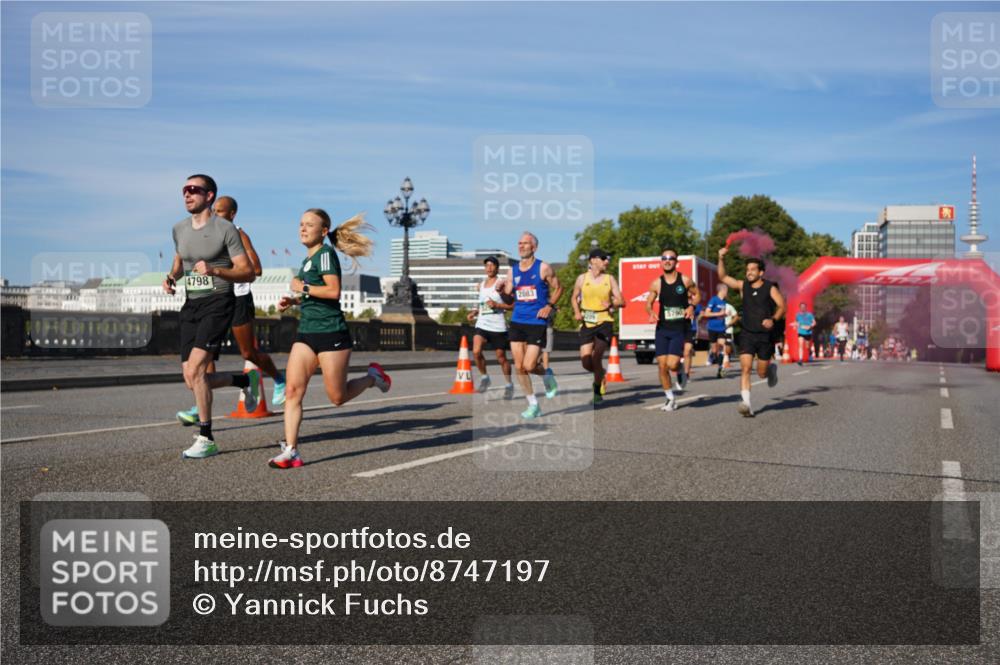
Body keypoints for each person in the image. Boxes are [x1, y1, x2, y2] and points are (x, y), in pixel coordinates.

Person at [269, 209, 391, 469]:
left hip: (331, 334)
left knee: (337, 397)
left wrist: (301, 287)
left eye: (309, 225)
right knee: (292, 391)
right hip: (307, 333)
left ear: (323, 231)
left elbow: (333, 291)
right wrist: (293, 300)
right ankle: (291, 451)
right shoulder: (308, 259)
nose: (302, 229)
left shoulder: (325, 255)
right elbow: (314, 293)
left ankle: (373, 377)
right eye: (301, 224)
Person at [163, 174, 258, 459]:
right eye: (184, 190)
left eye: (194, 190)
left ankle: (206, 437)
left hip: (219, 302)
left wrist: (216, 270)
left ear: (210, 196)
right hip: (191, 303)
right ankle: (242, 382)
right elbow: (180, 264)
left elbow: (248, 271)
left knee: (196, 371)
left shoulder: (226, 229)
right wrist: (170, 278)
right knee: (192, 378)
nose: (187, 195)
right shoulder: (179, 229)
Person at [175, 195, 286, 425]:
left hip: (238, 299)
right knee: (203, 357)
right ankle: (200, 403)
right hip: (213, 301)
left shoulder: (237, 233)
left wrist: (220, 268)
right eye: (212, 210)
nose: (214, 214)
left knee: (248, 354)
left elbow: (256, 269)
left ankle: (278, 378)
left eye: (220, 211)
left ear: (232, 214)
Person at [495, 232, 562, 419]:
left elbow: (559, 288)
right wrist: (501, 292)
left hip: (536, 322)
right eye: (519, 243)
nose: (521, 246)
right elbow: (509, 298)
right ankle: (533, 405)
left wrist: (549, 306)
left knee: (530, 365)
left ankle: (547, 375)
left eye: (525, 243)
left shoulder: (543, 268)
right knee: (519, 367)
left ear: (534, 247)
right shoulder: (513, 270)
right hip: (517, 321)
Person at [717, 248, 786, 417]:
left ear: (761, 272)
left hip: (764, 335)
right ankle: (746, 404)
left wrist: (773, 320)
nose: (749, 273)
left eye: (753, 270)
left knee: (761, 373)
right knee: (746, 368)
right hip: (747, 333)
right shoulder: (742, 286)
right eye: (747, 270)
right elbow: (723, 277)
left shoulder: (770, 288)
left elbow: (782, 306)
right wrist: (720, 258)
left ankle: (770, 370)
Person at [645, 248, 700, 411]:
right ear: (661, 261)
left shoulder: (685, 280)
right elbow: (648, 302)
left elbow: (697, 295)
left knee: (672, 364)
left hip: (679, 328)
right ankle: (670, 398)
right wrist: (651, 312)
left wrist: (691, 306)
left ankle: (680, 369)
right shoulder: (656, 283)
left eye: (671, 258)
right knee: (662, 366)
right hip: (662, 328)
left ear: (676, 261)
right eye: (664, 258)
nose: (667, 260)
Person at [571, 248, 624, 404]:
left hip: (604, 322)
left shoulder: (610, 279)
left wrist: (612, 302)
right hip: (587, 322)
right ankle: (601, 374)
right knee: (586, 361)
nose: (606, 261)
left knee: (596, 357)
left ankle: (596, 391)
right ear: (593, 260)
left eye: (607, 259)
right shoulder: (582, 278)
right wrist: (576, 312)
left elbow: (621, 300)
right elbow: (574, 298)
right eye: (603, 258)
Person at [466, 255, 514, 399]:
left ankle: (509, 384)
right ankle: (485, 377)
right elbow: (482, 303)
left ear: (497, 268)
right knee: (476, 351)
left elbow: (512, 305)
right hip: (482, 324)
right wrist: (474, 311)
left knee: (501, 358)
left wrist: (498, 305)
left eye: (492, 265)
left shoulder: (502, 284)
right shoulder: (481, 285)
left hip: (498, 326)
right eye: (487, 265)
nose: (489, 268)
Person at [703, 284, 730, 378]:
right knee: (715, 350)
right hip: (712, 328)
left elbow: (721, 314)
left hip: (721, 328)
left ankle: (721, 368)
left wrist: (725, 315)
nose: (727, 292)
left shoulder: (724, 301)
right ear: (722, 290)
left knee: (723, 345)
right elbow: (706, 313)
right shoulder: (713, 299)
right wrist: (720, 313)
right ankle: (714, 357)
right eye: (726, 290)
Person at [680, 295, 703, 391]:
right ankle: (681, 370)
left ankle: (686, 374)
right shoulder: (679, 301)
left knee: (687, 351)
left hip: (691, 329)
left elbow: (701, 312)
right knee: (682, 352)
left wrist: (697, 318)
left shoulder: (695, 303)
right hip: (679, 329)